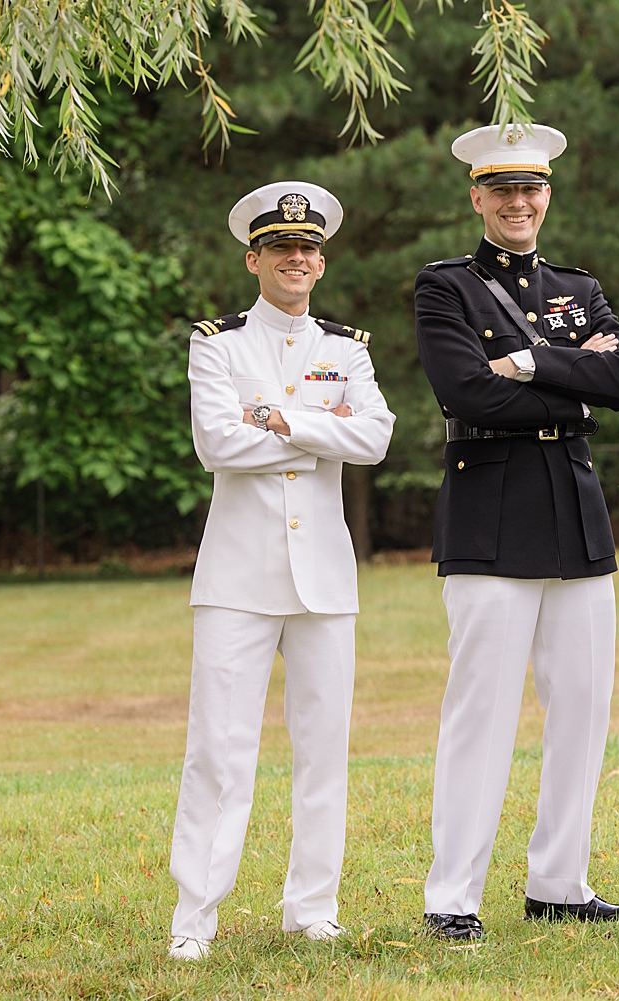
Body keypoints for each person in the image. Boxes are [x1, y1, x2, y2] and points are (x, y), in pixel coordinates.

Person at [413, 124, 619, 941]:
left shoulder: (578, 284)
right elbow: (467, 395)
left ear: (548, 195)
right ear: (477, 197)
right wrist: (575, 381)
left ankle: (560, 880)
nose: (518, 202)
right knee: (482, 710)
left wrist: (532, 363)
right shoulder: (446, 288)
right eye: (502, 189)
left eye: (531, 188)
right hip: (490, 510)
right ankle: (453, 895)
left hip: (575, 512)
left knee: (582, 705)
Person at [168, 182, 395, 961]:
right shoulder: (219, 343)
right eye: (280, 248)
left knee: (323, 746)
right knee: (220, 749)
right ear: (253, 258)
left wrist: (279, 419)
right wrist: (322, 430)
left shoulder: (348, 347)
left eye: (307, 248)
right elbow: (217, 447)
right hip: (238, 576)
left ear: (321, 261)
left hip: (325, 577)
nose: (295, 258)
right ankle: (194, 916)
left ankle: (313, 905)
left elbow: (374, 440)